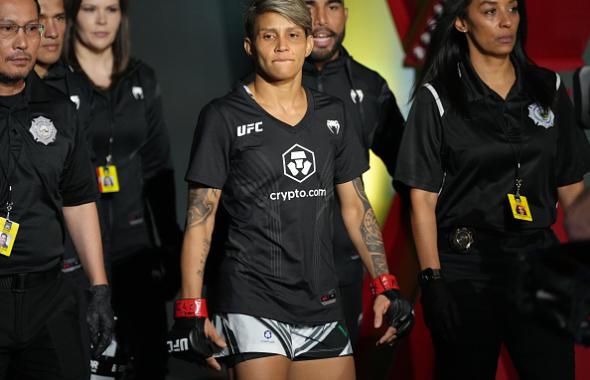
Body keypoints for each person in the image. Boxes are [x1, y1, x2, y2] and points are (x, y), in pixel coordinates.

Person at [166, 1, 413, 380]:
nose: (282, 45)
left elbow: (356, 206)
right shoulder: (223, 116)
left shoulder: (335, 113)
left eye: (293, 35)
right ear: (250, 45)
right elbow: (201, 218)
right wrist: (190, 308)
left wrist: (385, 283)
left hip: (322, 303)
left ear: (307, 42)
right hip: (250, 300)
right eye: (269, 35)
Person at [393, 0, 590, 379]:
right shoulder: (436, 98)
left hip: (538, 262)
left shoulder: (546, 86)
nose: (506, 21)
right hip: (466, 267)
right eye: (490, 11)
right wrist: (432, 282)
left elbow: (571, 185)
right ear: (463, 23)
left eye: (513, 9)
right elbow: (422, 200)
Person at [63, 0, 182, 378]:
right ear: (72, 15)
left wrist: (171, 245)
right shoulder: (56, 82)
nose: (101, 19)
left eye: (111, 9)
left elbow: (158, 166)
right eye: (90, 9)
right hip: (78, 247)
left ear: (123, 16)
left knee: (149, 363)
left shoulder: (141, 78)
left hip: (136, 246)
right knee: (89, 364)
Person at [0, 0, 113, 378]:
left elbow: (79, 200)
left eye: (31, 29)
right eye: (7, 29)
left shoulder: (60, 109)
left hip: (49, 293)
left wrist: (99, 287)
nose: (22, 42)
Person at [302, 0, 405, 346]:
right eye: (307, 5)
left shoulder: (370, 86)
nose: (319, 20)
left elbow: (413, 177)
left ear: (345, 13)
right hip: (269, 272)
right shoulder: (259, 85)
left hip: (343, 268)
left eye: (331, 6)